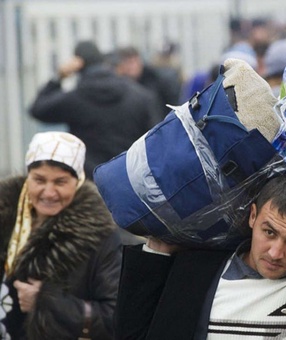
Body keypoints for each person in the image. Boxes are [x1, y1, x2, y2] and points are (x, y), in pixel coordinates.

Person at [114, 125, 286, 339]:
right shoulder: (196, 266)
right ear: (252, 216)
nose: (276, 253)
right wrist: (156, 254)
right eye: (269, 232)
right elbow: (132, 333)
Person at [0, 131, 122, 339]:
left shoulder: (100, 237)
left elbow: (114, 316)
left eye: (60, 182)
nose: (48, 192)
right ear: (27, 178)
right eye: (39, 180)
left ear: (78, 182)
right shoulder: (5, 221)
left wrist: (46, 301)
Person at [29, 40, 160, 179]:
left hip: (91, 179)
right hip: (130, 177)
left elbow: (38, 109)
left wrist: (58, 77)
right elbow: (154, 140)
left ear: (78, 64)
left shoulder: (74, 99)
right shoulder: (141, 96)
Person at [113, 46, 183, 119]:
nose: (131, 67)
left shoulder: (157, 80)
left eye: (133, 62)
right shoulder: (119, 83)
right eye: (127, 63)